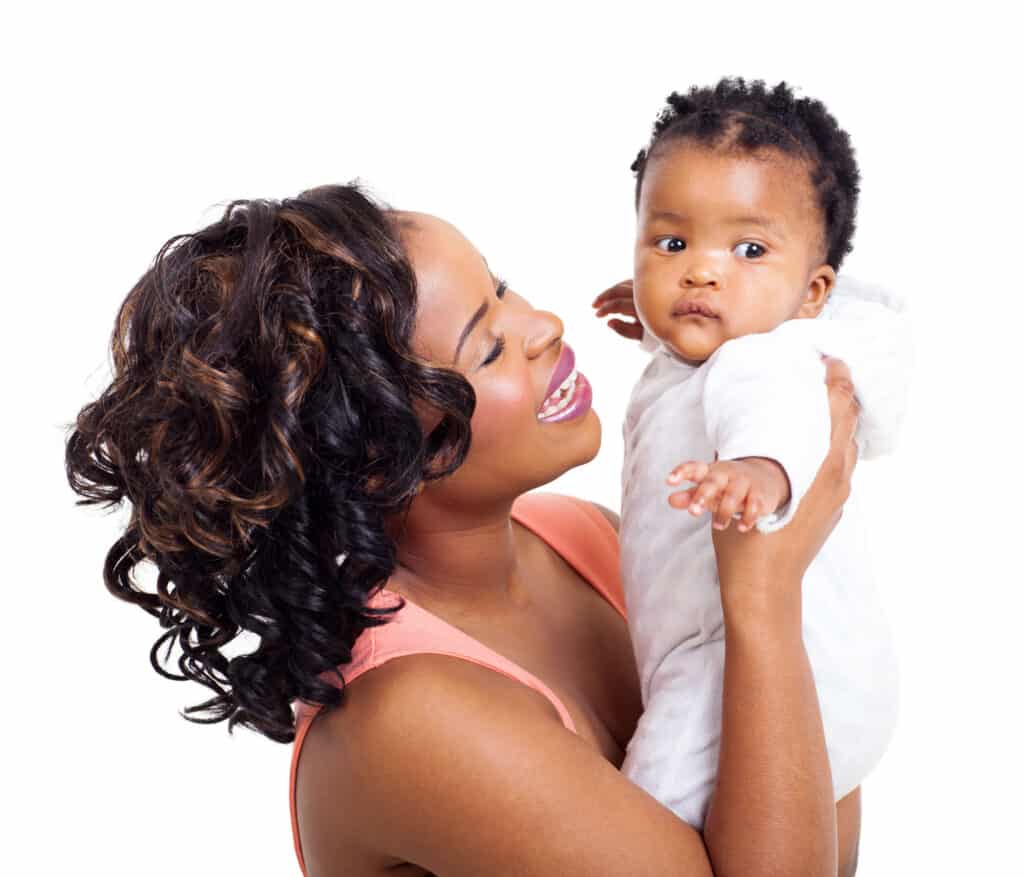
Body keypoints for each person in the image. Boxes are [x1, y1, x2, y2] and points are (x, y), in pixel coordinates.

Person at [65, 183, 863, 876]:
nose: (545, 324)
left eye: (504, 287)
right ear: (373, 457)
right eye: (488, 346)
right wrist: (764, 596)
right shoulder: (408, 717)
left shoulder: (584, 538)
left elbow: (827, 819)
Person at [592, 78, 909, 832]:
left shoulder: (761, 363)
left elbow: (776, 411)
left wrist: (761, 472)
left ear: (814, 292)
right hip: (742, 653)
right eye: (671, 243)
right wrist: (649, 320)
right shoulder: (731, 341)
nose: (700, 271)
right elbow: (714, 346)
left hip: (729, 663)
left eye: (749, 248)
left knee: (644, 811)